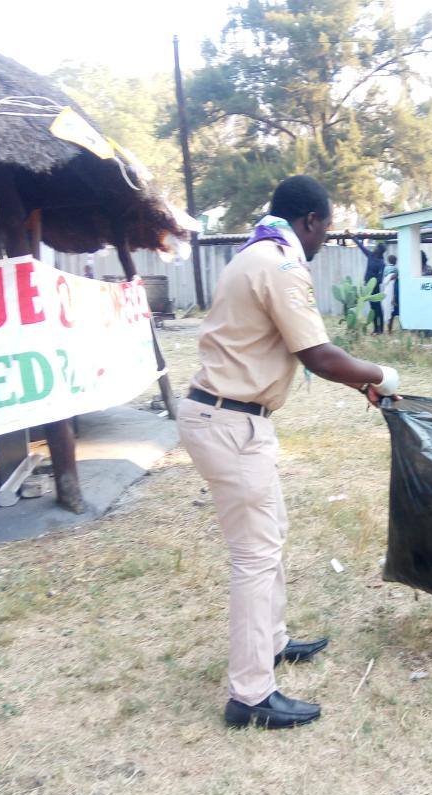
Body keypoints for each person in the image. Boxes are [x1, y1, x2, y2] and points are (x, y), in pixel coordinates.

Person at [177, 176, 401, 729]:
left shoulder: (254, 254)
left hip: (224, 416)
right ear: (311, 221)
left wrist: (362, 384)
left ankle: (273, 642)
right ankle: (250, 695)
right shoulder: (280, 262)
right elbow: (320, 356)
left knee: (269, 533)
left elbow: (302, 353)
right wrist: (384, 375)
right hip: (232, 423)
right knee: (255, 555)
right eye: (326, 227)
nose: (324, 239)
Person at [353, 236, 386, 334]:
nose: (375, 248)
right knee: (373, 309)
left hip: (375, 288)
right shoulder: (371, 255)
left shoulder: (381, 263)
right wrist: (353, 237)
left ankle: (381, 329)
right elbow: (361, 246)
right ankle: (376, 329)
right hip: (368, 287)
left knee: (378, 309)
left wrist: (375, 282)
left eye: (377, 247)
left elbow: (380, 278)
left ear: (379, 250)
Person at [382, 254, 399, 333]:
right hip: (393, 291)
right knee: (391, 312)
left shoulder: (386, 268)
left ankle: (389, 329)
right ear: (395, 261)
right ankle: (389, 330)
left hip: (387, 291)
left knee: (388, 310)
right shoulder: (396, 269)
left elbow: (384, 280)